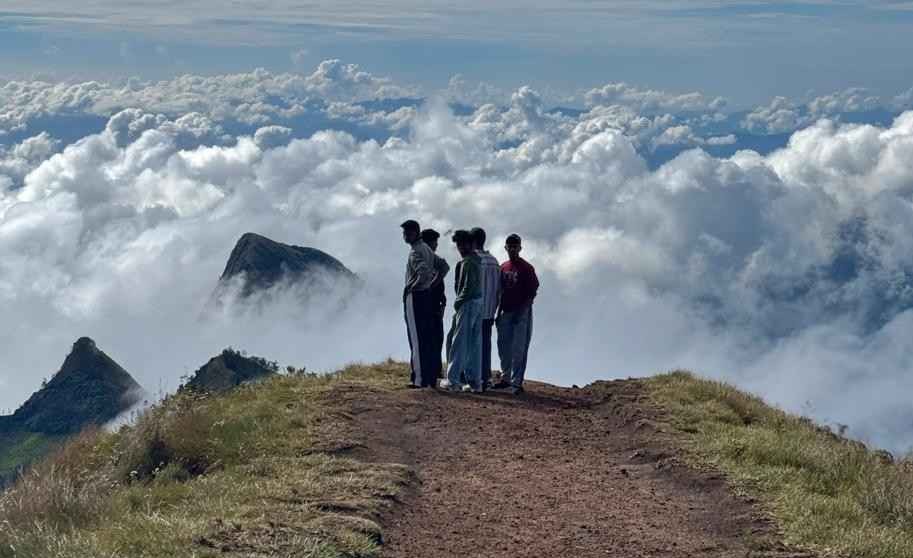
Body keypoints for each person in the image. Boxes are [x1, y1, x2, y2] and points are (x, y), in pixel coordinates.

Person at [493, 234, 539, 395]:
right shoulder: (503, 267)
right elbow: (500, 291)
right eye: (509, 246)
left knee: (519, 348)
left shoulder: (527, 268)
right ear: (505, 247)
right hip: (505, 311)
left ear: (520, 248)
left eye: (515, 246)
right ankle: (505, 378)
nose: (512, 249)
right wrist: (497, 312)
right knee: (503, 347)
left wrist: (523, 311)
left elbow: (533, 291)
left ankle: (516, 383)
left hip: (521, 313)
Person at [401, 219, 439, 388]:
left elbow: (423, 272)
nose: (405, 236)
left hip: (416, 298)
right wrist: (433, 283)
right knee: (425, 338)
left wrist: (412, 287)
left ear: (416, 232)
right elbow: (443, 267)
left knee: (416, 339)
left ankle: (419, 380)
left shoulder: (416, 251)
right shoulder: (427, 249)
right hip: (427, 296)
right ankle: (428, 378)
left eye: (408, 233)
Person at [445, 230, 483, 393]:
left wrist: (458, 302)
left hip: (467, 303)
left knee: (459, 342)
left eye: (462, 244)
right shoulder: (477, 260)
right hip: (478, 303)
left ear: (470, 244)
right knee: (474, 344)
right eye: (458, 245)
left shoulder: (468, 262)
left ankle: (453, 380)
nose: (460, 248)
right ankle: (474, 382)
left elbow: (467, 287)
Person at [471, 227, 501, 389]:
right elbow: (499, 289)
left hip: (475, 310)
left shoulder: (474, 260)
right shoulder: (494, 261)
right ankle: (485, 377)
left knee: (472, 344)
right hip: (490, 310)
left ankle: (474, 378)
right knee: (486, 343)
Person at [421, 228, 449, 383]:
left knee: (437, 338)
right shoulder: (423, 261)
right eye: (434, 242)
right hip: (427, 305)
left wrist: (443, 302)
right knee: (430, 338)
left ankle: (435, 370)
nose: (436, 245)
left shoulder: (434, 260)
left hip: (435, 305)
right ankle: (428, 370)